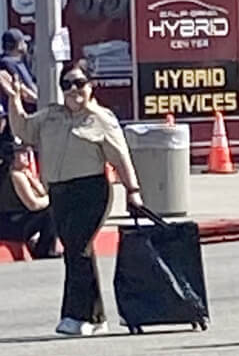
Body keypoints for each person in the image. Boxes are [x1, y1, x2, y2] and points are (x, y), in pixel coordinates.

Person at [0, 60, 144, 337]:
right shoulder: (51, 116)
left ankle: (75, 315)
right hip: (59, 192)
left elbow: (120, 156)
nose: (73, 90)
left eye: (79, 83)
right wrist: (14, 99)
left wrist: (133, 191)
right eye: (67, 84)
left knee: (77, 248)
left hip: (91, 191)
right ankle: (95, 316)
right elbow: (24, 130)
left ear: (91, 86)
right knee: (79, 252)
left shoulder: (100, 118)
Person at [0, 142, 59, 259]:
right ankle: (43, 249)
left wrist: (32, 180)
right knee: (51, 211)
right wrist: (53, 199)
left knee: (50, 208)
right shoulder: (16, 175)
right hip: (10, 223)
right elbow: (33, 204)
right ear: (12, 157)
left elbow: (43, 193)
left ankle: (42, 245)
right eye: (21, 153)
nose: (26, 155)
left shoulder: (23, 173)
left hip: (15, 220)